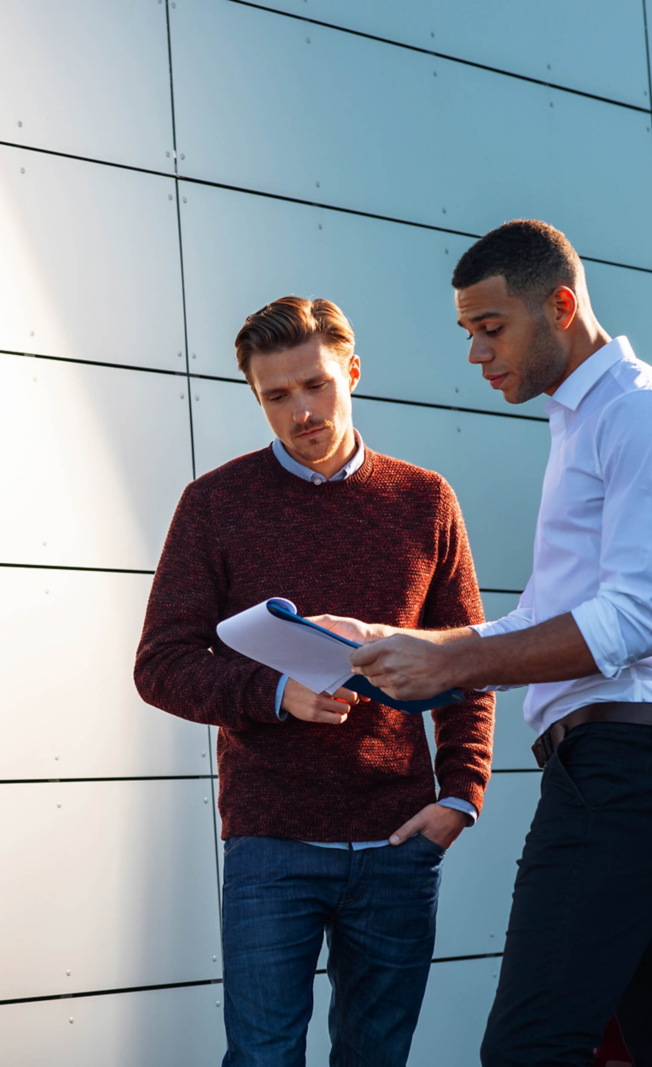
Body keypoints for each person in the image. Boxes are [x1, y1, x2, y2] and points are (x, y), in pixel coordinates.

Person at [319, 221, 652, 1066]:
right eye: (467, 332)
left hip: (631, 765)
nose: (476, 352)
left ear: (561, 304)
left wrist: (455, 662)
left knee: (529, 1046)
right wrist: (411, 641)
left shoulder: (644, 417)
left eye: (491, 326)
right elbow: (546, 618)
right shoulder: (586, 425)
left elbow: (633, 621)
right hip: (648, 765)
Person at [134, 296, 495, 1067]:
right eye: (277, 396)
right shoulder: (214, 504)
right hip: (272, 842)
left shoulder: (425, 500)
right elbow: (161, 663)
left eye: (317, 385)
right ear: (257, 398)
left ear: (352, 372)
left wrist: (460, 797)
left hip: (399, 840)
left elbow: (470, 661)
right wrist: (273, 694)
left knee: (376, 1057)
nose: (302, 411)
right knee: (263, 1057)